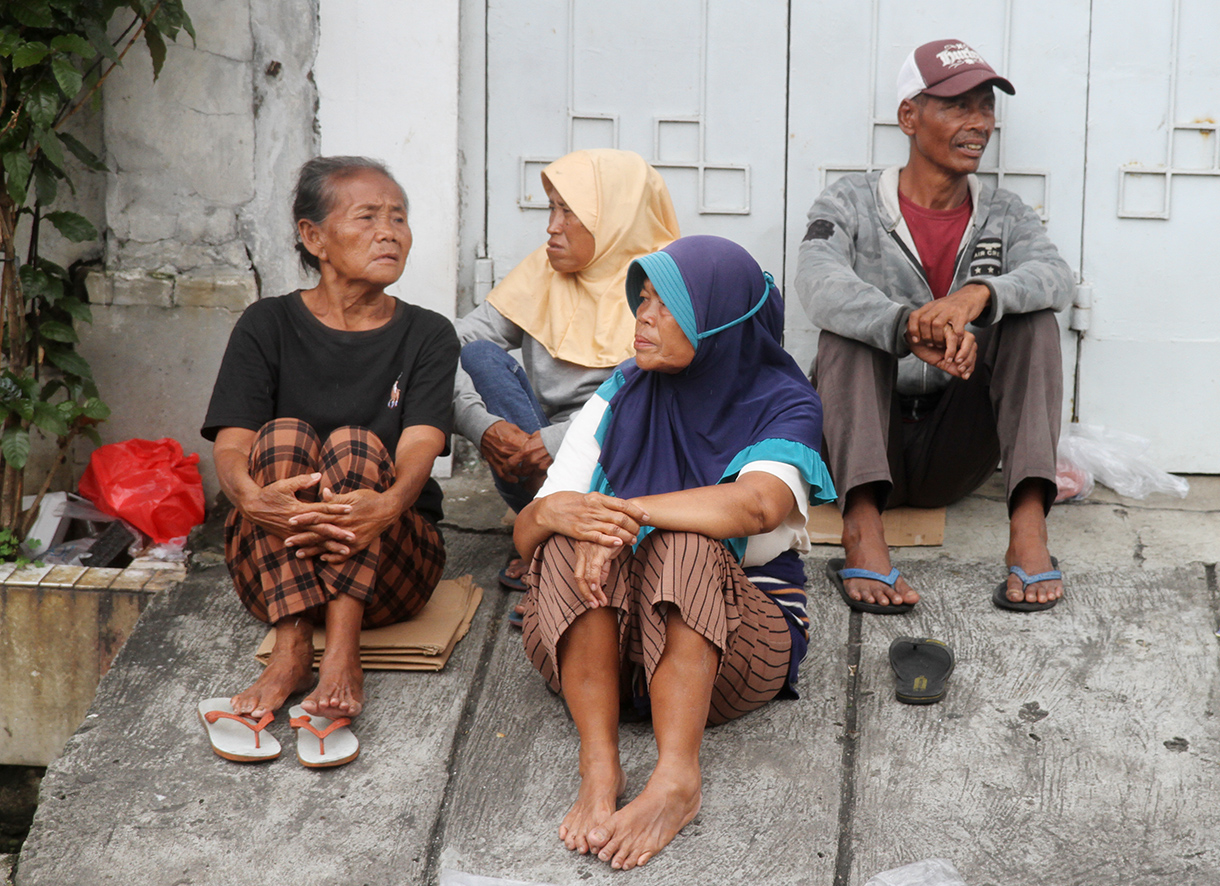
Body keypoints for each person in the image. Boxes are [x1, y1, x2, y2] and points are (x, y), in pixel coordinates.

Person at [514, 235, 836, 869]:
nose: (645, 314)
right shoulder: (622, 391)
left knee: (683, 540)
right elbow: (525, 537)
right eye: (644, 299)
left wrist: (627, 517)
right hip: (603, 660)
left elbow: (755, 506)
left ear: (718, 320)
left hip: (732, 652)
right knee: (565, 537)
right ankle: (598, 764)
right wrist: (556, 513)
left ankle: (676, 778)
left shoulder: (785, 402)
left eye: (668, 304)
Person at [794, 39, 1074, 613]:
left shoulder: (1006, 212)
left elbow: (1055, 276)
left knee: (1033, 319)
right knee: (848, 327)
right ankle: (862, 526)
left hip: (954, 449)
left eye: (986, 108)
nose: (979, 124)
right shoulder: (850, 200)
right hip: (864, 442)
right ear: (908, 117)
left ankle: (1028, 530)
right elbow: (817, 282)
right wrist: (904, 327)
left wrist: (980, 295)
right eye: (957, 106)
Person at [201, 156, 459, 726]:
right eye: (367, 217)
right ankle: (292, 647)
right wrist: (251, 500)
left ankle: (343, 652)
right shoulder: (266, 324)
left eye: (398, 218)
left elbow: (421, 442)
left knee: (356, 446)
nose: (388, 232)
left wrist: (387, 505)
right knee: (283, 437)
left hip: (390, 564)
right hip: (272, 565)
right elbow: (233, 445)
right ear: (313, 236)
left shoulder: (428, 334)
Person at [453, 149, 679, 589]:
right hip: (535, 464)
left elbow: (659, 400)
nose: (551, 226)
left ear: (614, 216)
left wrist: (559, 440)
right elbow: (446, 343)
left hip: (628, 463)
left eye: (567, 211)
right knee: (478, 355)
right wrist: (482, 426)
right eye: (551, 208)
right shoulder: (546, 265)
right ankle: (549, 527)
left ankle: (557, 544)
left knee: (651, 407)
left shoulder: (665, 279)